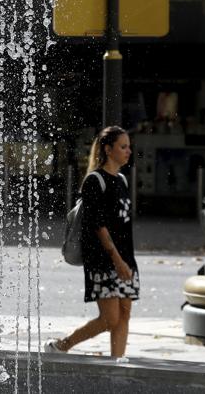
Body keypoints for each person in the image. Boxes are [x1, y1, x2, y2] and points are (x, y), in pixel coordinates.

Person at [46, 126, 137, 358]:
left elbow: (123, 225)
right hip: (103, 260)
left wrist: (126, 260)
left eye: (129, 146)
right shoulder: (95, 181)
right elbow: (99, 226)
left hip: (125, 258)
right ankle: (62, 345)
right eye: (123, 147)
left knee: (124, 313)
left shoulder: (123, 180)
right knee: (110, 318)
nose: (128, 151)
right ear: (108, 149)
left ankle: (117, 363)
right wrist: (117, 261)